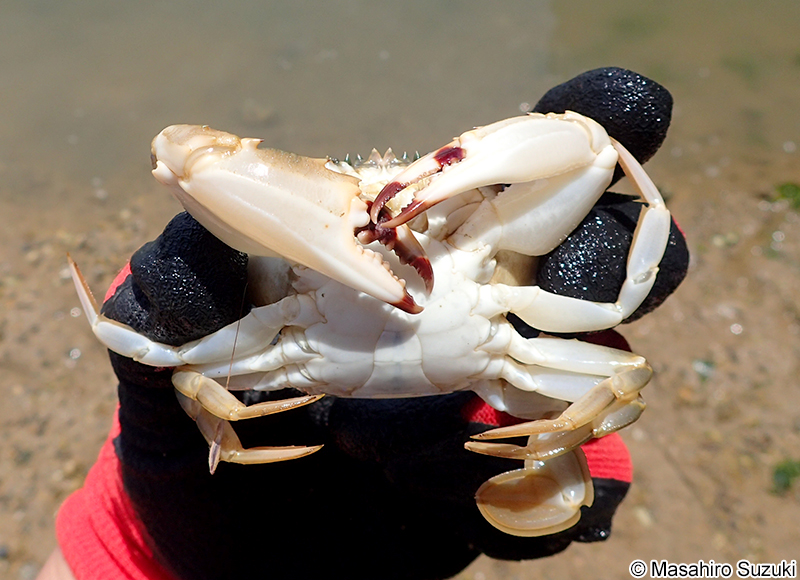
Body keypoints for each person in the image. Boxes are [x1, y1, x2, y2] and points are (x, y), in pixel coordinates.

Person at [39, 67, 687, 580]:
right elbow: (182, 163)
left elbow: (596, 163)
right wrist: (134, 535)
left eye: (405, 190)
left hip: (464, 359)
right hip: (306, 389)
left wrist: (559, 433)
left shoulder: (484, 240)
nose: (386, 206)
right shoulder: (276, 281)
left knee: (597, 153)